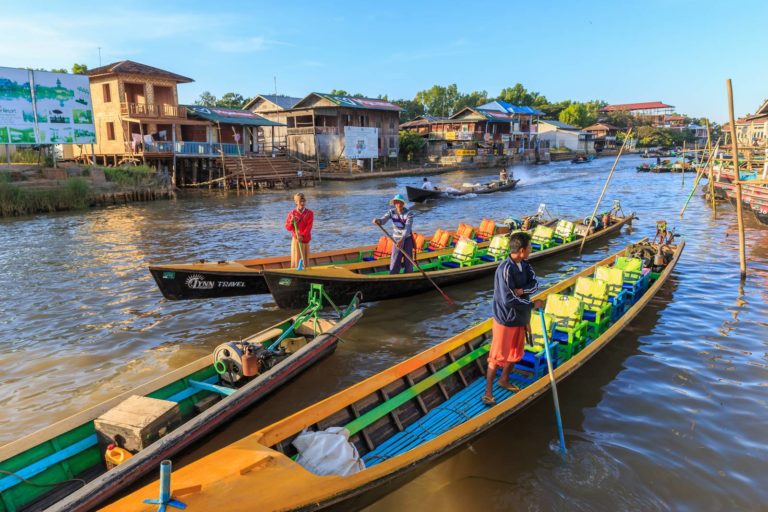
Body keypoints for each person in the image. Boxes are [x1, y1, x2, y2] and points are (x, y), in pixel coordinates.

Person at [482, 231, 545, 405]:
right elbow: (508, 299)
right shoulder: (505, 269)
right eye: (530, 247)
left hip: (521, 317)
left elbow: (535, 285)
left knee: (515, 352)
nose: (531, 250)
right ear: (522, 250)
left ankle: (503, 379)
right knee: (497, 356)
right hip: (506, 319)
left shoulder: (525, 265)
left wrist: (522, 290)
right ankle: (488, 391)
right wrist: (532, 305)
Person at [373, 194, 414, 275]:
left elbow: (407, 228)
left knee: (408, 261)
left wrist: (402, 240)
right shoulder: (391, 212)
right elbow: (383, 221)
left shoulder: (409, 213)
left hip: (406, 239)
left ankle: (409, 275)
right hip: (396, 239)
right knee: (395, 260)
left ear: (402, 203)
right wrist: (377, 221)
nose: (397, 204)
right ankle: (393, 275)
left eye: (399, 202)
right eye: (396, 203)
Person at [285, 192, 313, 268]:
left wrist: (303, 236)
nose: (303, 203)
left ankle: (306, 270)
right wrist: (291, 222)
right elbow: (288, 228)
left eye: (304, 201)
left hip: (305, 238)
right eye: (300, 201)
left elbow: (309, 227)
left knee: (305, 259)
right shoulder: (292, 213)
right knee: (296, 259)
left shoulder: (310, 213)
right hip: (296, 239)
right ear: (296, 202)